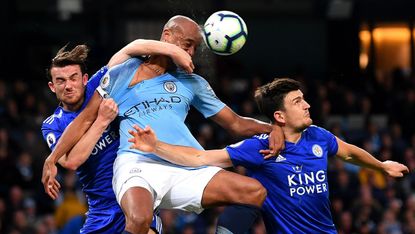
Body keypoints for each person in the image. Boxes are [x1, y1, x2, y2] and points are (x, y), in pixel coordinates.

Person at [41, 15, 284, 234]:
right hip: (138, 162)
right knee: (139, 218)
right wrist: (51, 160)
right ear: (167, 37)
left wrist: (271, 127)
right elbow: (83, 120)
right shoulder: (125, 72)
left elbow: (236, 124)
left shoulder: (193, 83)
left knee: (254, 191)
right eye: (187, 44)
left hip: (185, 163)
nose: (190, 53)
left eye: (195, 48)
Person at [128, 78, 410, 233]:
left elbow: (349, 153)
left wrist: (381, 166)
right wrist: (157, 147)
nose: (307, 105)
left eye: (304, 98)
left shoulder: (319, 137)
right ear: (279, 116)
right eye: (298, 102)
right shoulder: (259, 148)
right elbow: (202, 158)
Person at [41, 43, 191, 233]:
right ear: (52, 87)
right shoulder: (52, 124)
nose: (68, 86)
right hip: (101, 212)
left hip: (134, 195)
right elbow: (72, 161)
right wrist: (102, 121)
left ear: (85, 79)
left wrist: (172, 50)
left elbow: (130, 49)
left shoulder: (99, 86)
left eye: (73, 78)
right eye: (61, 81)